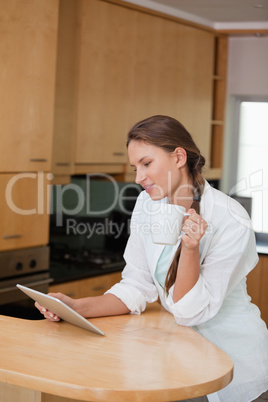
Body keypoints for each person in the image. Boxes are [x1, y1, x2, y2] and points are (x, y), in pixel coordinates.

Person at [36, 115, 268, 402]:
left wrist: (191, 249)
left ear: (179, 157)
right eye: (135, 167)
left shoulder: (230, 217)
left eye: (147, 163)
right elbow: (136, 284)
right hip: (180, 356)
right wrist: (76, 307)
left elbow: (189, 311)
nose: (138, 178)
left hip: (232, 362)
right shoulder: (148, 203)